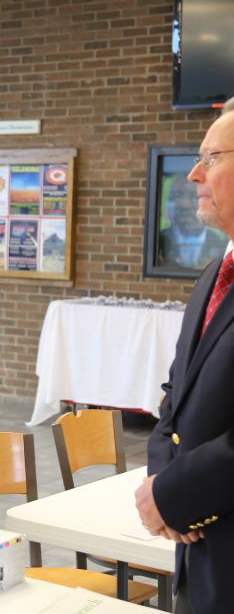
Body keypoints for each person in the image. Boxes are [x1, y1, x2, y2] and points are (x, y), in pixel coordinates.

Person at [136, 110, 234, 614]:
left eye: (211, 158)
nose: (194, 174)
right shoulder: (214, 275)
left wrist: (174, 494)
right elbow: (174, 398)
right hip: (197, 556)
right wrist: (163, 492)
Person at [157, 177, 226, 270]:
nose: (185, 204)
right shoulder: (160, 240)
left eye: (195, 197)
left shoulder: (221, 243)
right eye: (177, 196)